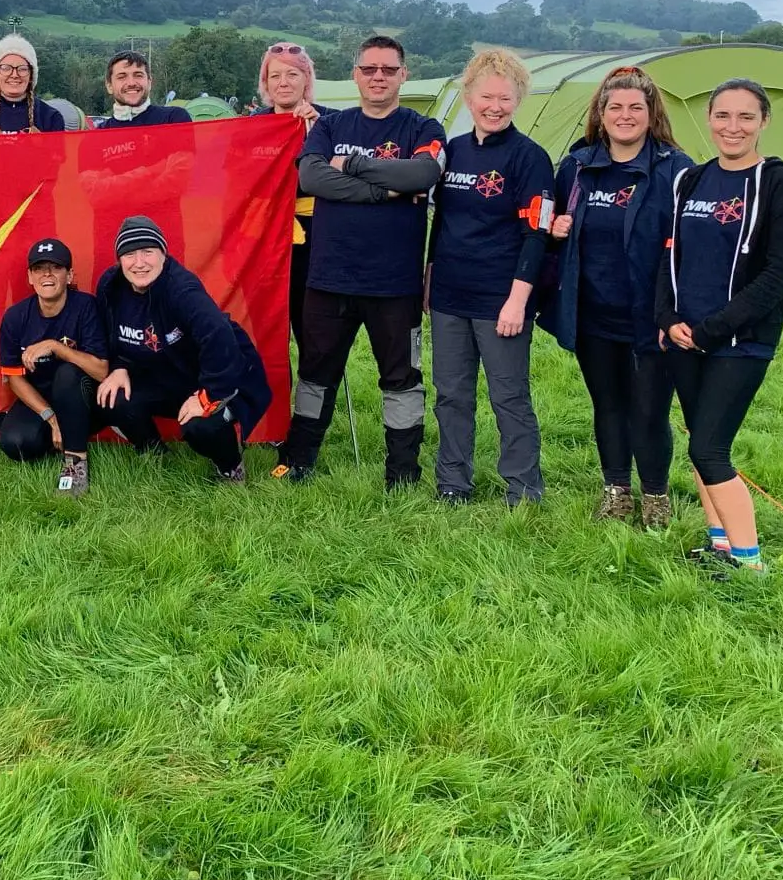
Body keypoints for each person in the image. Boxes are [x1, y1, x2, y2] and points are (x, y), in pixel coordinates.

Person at [655, 79, 783, 575]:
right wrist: (668, 318)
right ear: (709, 119)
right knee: (701, 439)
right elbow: (670, 256)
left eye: (746, 117)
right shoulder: (691, 181)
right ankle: (719, 544)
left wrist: (713, 329)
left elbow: (777, 277)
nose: (733, 127)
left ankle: (750, 563)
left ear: (764, 121)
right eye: (723, 115)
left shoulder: (778, 184)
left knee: (709, 447)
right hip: (685, 337)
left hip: (740, 342)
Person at [278, 35, 446, 488]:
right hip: (329, 277)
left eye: (388, 70)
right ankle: (299, 459)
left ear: (403, 75)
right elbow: (312, 176)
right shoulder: (331, 126)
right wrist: (386, 190)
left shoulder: (422, 128)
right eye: (369, 69)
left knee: (402, 378)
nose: (378, 77)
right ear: (355, 74)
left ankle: (403, 472)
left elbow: (424, 172)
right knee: (315, 372)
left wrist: (349, 166)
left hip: (395, 284)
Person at [543, 66, 693, 529]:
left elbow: (690, 245)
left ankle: (655, 496)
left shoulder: (676, 169)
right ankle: (616, 491)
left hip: (651, 316)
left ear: (651, 115)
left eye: (635, 108)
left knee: (648, 409)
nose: (625, 116)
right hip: (593, 312)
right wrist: (553, 230)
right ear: (600, 114)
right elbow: (547, 223)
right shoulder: (577, 166)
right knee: (607, 404)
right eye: (615, 107)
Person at [427, 49, 555, 506]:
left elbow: (537, 233)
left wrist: (519, 300)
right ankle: (452, 481)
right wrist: (429, 277)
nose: (495, 106)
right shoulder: (453, 152)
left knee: (509, 396)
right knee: (451, 395)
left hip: (501, 298)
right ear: (468, 97)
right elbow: (439, 222)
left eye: (505, 98)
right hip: (448, 296)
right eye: (486, 97)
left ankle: (523, 487)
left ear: (518, 100)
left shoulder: (530, 157)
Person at [94, 216, 272, 483]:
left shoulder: (181, 288)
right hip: (165, 376)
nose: (139, 262)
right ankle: (153, 455)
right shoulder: (111, 286)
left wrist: (207, 395)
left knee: (201, 426)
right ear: (119, 259)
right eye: (129, 253)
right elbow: (112, 334)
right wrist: (119, 366)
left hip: (218, 375)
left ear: (163, 254)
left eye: (148, 252)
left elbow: (220, 338)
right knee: (113, 395)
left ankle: (230, 467)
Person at [0, 238, 109, 494]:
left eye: (55, 267)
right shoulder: (15, 317)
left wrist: (56, 347)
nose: (46, 274)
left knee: (67, 372)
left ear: (69, 275)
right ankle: (59, 433)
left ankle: (75, 462)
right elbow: (14, 377)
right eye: (39, 268)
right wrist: (51, 418)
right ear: (30, 277)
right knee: (16, 443)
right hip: (41, 398)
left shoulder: (86, 306)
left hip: (83, 398)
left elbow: (101, 370)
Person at [252, 42, 325, 334]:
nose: (284, 82)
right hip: (265, 234)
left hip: (315, 235)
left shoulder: (329, 121)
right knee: (267, 326)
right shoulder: (254, 124)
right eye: (275, 76)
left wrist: (316, 133)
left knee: (311, 323)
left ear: (306, 79)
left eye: (293, 74)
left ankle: (313, 381)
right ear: (266, 83)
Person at [0, 35, 68, 133]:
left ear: (31, 75)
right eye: (6, 68)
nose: (14, 75)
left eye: (22, 69)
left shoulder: (51, 117)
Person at [99, 50, 192, 126]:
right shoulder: (99, 135)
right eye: (122, 77)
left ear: (149, 82)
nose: (131, 83)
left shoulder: (174, 119)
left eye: (138, 75)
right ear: (109, 86)